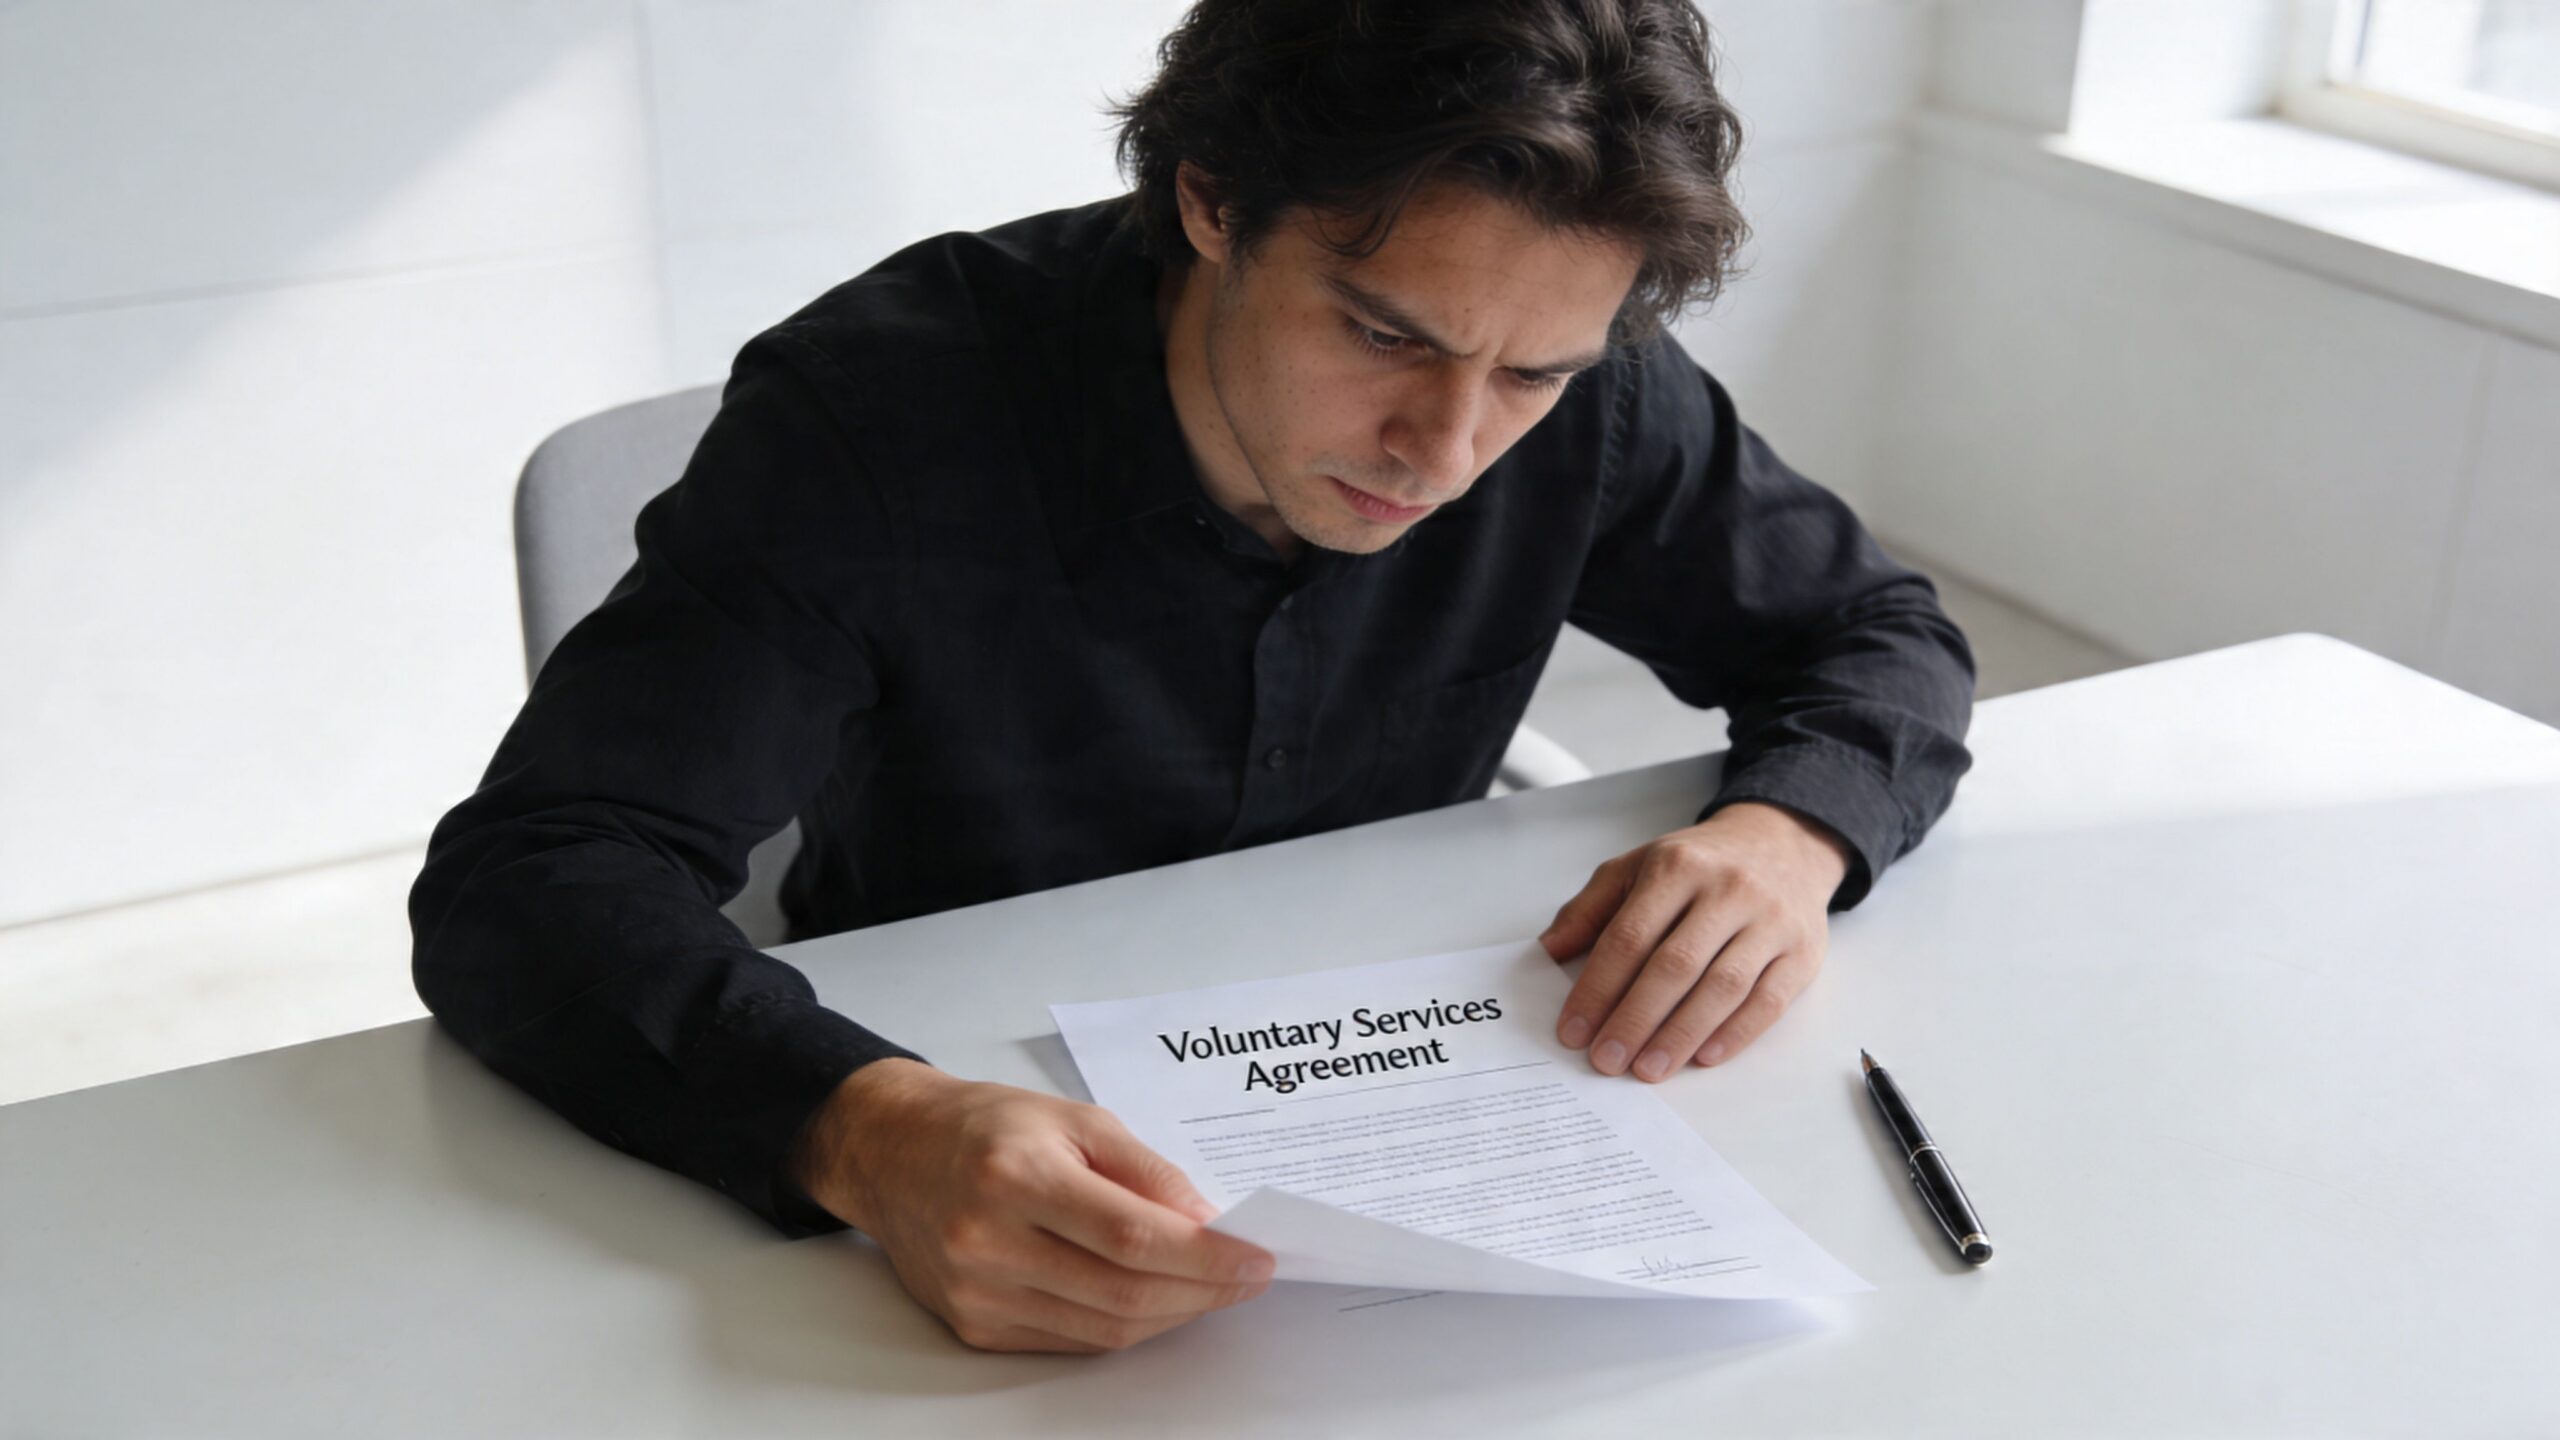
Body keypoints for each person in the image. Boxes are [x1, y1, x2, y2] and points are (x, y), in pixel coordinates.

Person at [410, 0, 1975, 1355]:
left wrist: (1791, 837)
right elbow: (531, 876)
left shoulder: (1603, 394)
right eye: (1382, 334)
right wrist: (862, 1127)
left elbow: (1874, 633)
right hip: (963, 1103)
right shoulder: (877, 421)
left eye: (1531, 376)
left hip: (1411, 1119)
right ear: (1210, 200)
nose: (1447, 452)